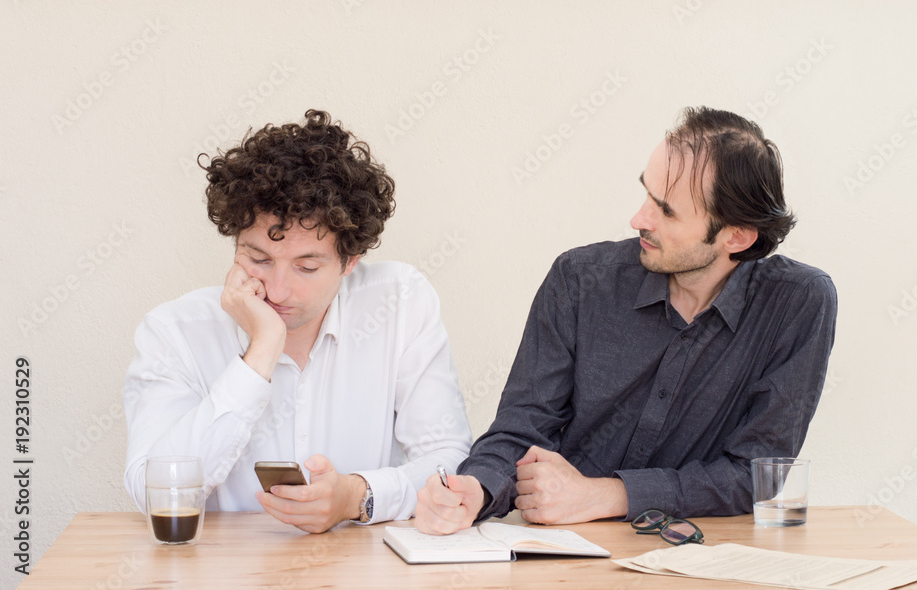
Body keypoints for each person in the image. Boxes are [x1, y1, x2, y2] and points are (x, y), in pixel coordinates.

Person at [415, 106, 837, 535]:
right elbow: (523, 428)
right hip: (568, 550)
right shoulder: (580, 279)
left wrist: (605, 494)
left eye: (666, 211)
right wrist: (477, 489)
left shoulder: (798, 303)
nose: (638, 220)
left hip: (703, 558)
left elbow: (756, 473)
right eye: (646, 195)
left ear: (737, 236)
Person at [124, 109, 472, 532]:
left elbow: (448, 460)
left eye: (307, 267)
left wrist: (358, 496)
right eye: (258, 259)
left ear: (350, 261)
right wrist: (261, 350)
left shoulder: (399, 301)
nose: (279, 290)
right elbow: (152, 490)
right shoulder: (174, 331)